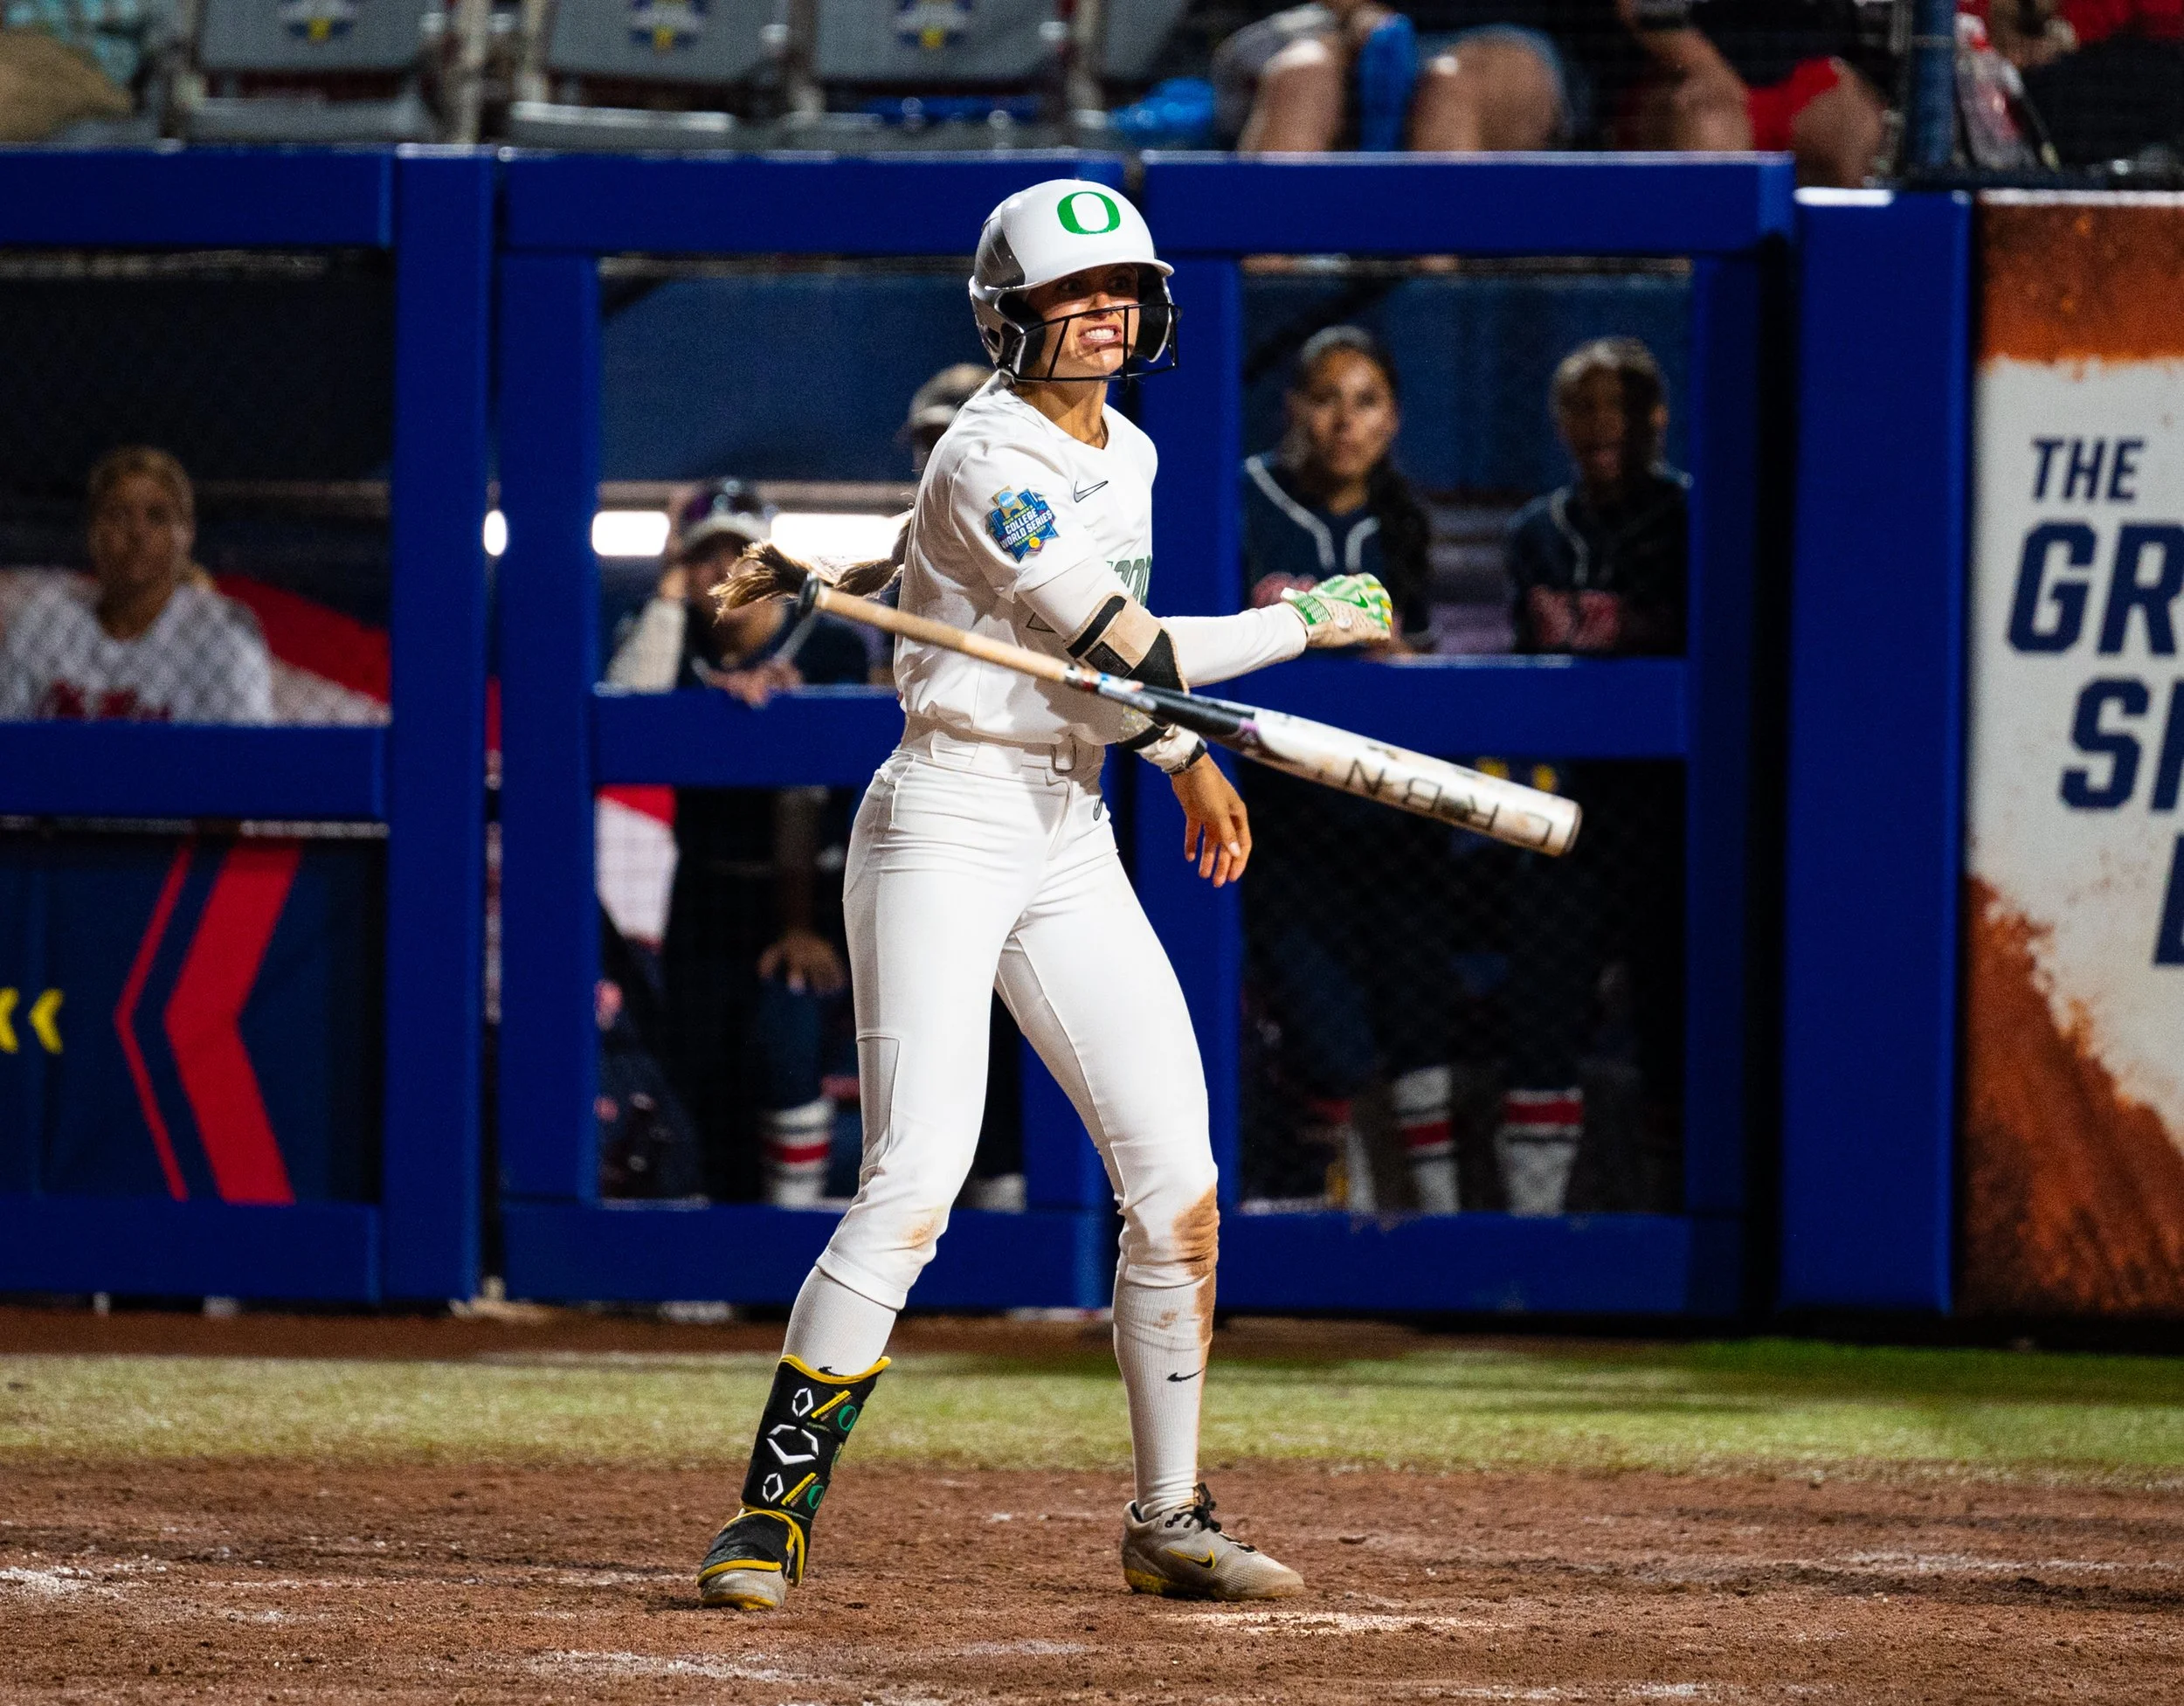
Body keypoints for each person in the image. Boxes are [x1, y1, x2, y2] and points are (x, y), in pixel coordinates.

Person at [693, 178, 1394, 1613]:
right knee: (913, 1179)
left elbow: (954, 561)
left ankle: (1169, 1514)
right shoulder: (990, 449)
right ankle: (769, 1514)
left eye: (1120, 292)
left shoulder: (1120, 448)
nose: (1102, 317)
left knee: (1178, 1183)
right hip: (946, 818)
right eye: (1070, 297)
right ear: (1007, 315)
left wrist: (829, 572)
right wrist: (1307, 619)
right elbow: (1130, 642)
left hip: (1067, 826)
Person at [1237, 325, 1466, 1213]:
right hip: (1281, 813)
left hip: (1385, 815)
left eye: (1365, 400)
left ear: (1393, 418)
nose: (1343, 419)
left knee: (1416, 1027)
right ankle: (1292, 1202)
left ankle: (1436, 1234)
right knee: (1324, 1039)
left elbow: (1416, 657)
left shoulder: (1403, 519)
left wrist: (1392, 651)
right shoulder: (1247, 496)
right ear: (1294, 406)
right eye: (1325, 396)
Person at [605, 482, 874, 1205]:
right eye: (702, 560)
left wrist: (800, 923)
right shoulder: (670, 633)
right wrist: (666, 588)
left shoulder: (829, 641)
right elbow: (628, 708)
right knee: (704, 1072)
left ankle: (791, 1255)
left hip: (813, 891)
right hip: (705, 888)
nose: (721, 576)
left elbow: (809, 789)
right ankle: (732, 1274)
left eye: (740, 556)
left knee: (785, 1043)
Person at [1490, 336, 1688, 1214]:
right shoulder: (1534, 532)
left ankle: (1671, 1214)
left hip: (1677, 820)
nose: (1600, 425)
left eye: (1620, 406)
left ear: (1657, 418)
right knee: (1538, 1014)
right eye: (1582, 407)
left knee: (1678, 1024)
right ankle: (1532, 1233)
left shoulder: (1694, 519)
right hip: (1568, 815)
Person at [0, 445, 272, 724]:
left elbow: (246, 756)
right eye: (119, 515)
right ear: (93, 532)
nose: (137, 532)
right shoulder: (43, 622)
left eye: (156, 516)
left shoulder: (223, 634)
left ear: (187, 533)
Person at [1221, 1, 1575, 152]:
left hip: (1510, 34)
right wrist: (1356, 11)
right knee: (1301, 77)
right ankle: (1264, 280)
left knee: (1451, 90)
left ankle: (1433, 287)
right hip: (1342, 26)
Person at [1614, 0, 1889, 187]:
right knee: (1709, 130)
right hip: (1697, 69)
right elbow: (1639, 6)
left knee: (1853, 123)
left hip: (1804, 72)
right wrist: (1705, 66)